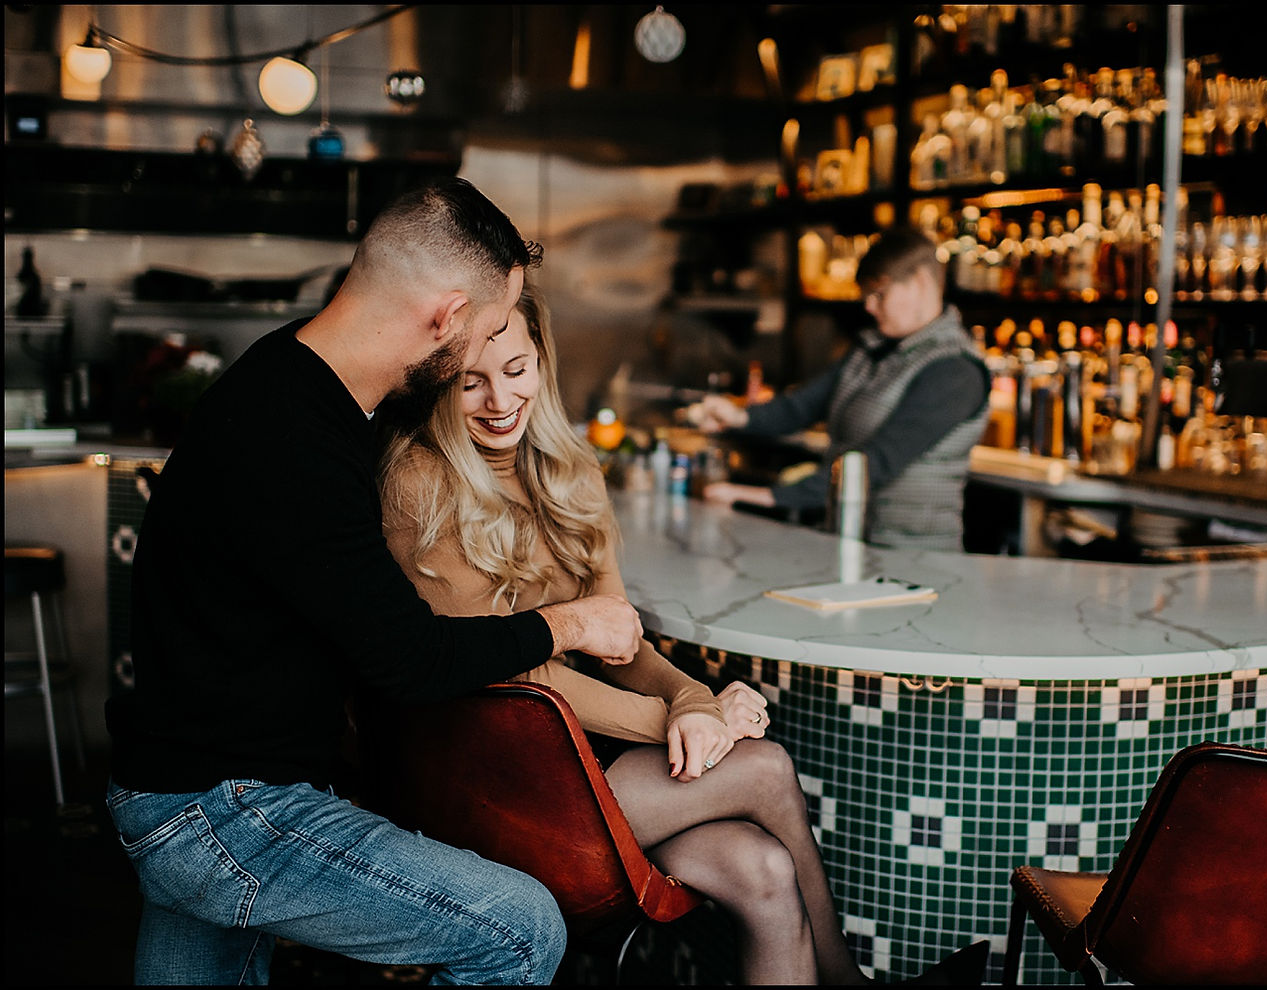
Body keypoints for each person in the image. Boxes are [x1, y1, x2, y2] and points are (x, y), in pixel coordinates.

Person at [104, 178, 647, 986]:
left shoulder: (305, 381)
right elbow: (410, 661)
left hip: (184, 782)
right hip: (225, 810)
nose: (490, 360)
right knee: (519, 930)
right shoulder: (293, 443)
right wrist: (571, 624)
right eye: (490, 330)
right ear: (446, 317)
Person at [377, 284, 992, 986]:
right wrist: (681, 721)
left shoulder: (569, 473)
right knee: (761, 767)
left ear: (542, 363)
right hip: (494, 787)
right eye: (470, 383)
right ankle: (848, 982)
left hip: (585, 761)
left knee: (761, 867)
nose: (499, 401)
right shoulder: (420, 479)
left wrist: (694, 700)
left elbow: (621, 640)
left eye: (516, 371)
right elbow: (510, 672)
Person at [690, 227, 991, 553]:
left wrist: (768, 497)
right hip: (848, 540)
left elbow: (877, 461)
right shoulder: (870, 349)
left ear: (919, 282)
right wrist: (738, 417)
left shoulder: (955, 369)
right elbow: (801, 406)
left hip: (912, 556)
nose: (869, 307)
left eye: (879, 294)